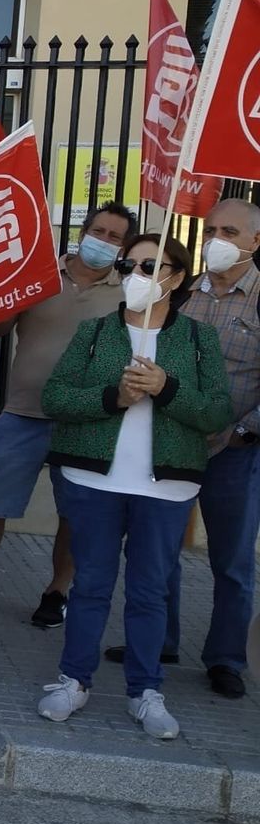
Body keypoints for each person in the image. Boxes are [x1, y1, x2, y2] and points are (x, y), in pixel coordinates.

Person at [36, 234, 231, 739]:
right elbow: (56, 397)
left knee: (150, 592)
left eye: (150, 265)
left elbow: (216, 412)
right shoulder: (95, 332)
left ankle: (145, 691)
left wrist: (167, 390)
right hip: (93, 480)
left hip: (166, 486)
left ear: (176, 276)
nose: (136, 273)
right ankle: (73, 680)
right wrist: (112, 398)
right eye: (130, 264)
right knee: (91, 585)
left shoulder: (197, 339)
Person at [0, 202, 133, 626]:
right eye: (99, 231)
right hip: (24, 413)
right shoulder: (38, 276)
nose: (104, 242)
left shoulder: (129, 292)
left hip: (86, 421)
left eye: (115, 237)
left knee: (75, 514)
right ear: (82, 232)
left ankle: (57, 592)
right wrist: (3, 294)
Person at [152, 199, 260, 698]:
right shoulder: (185, 294)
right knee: (160, 551)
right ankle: (159, 642)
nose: (217, 239)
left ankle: (225, 660)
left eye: (230, 231)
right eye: (211, 229)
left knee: (232, 562)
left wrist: (244, 432)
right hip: (176, 445)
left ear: (254, 241)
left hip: (236, 453)